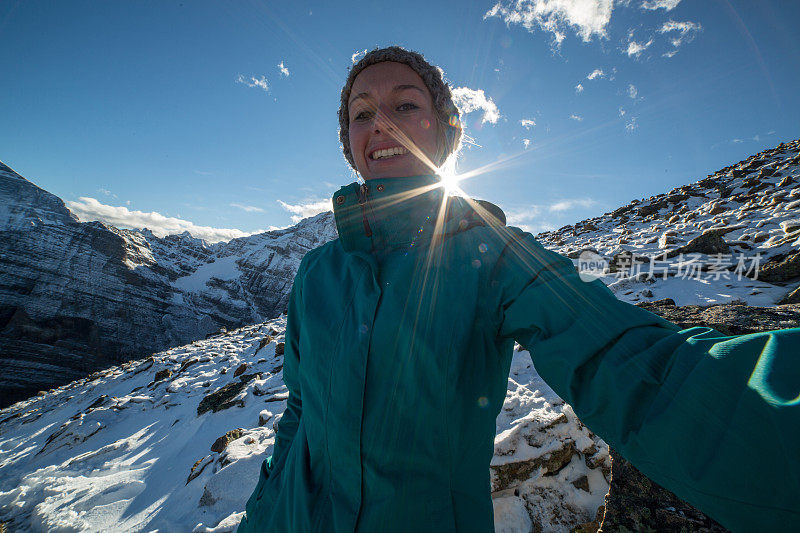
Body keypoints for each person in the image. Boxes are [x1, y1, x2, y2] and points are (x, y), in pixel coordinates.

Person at [238, 46, 800, 532]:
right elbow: (301, 416)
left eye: (406, 104)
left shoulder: (495, 254)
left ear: (447, 131)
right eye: (362, 113)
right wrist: (261, 516)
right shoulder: (317, 273)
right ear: (349, 142)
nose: (381, 122)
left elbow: (633, 364)